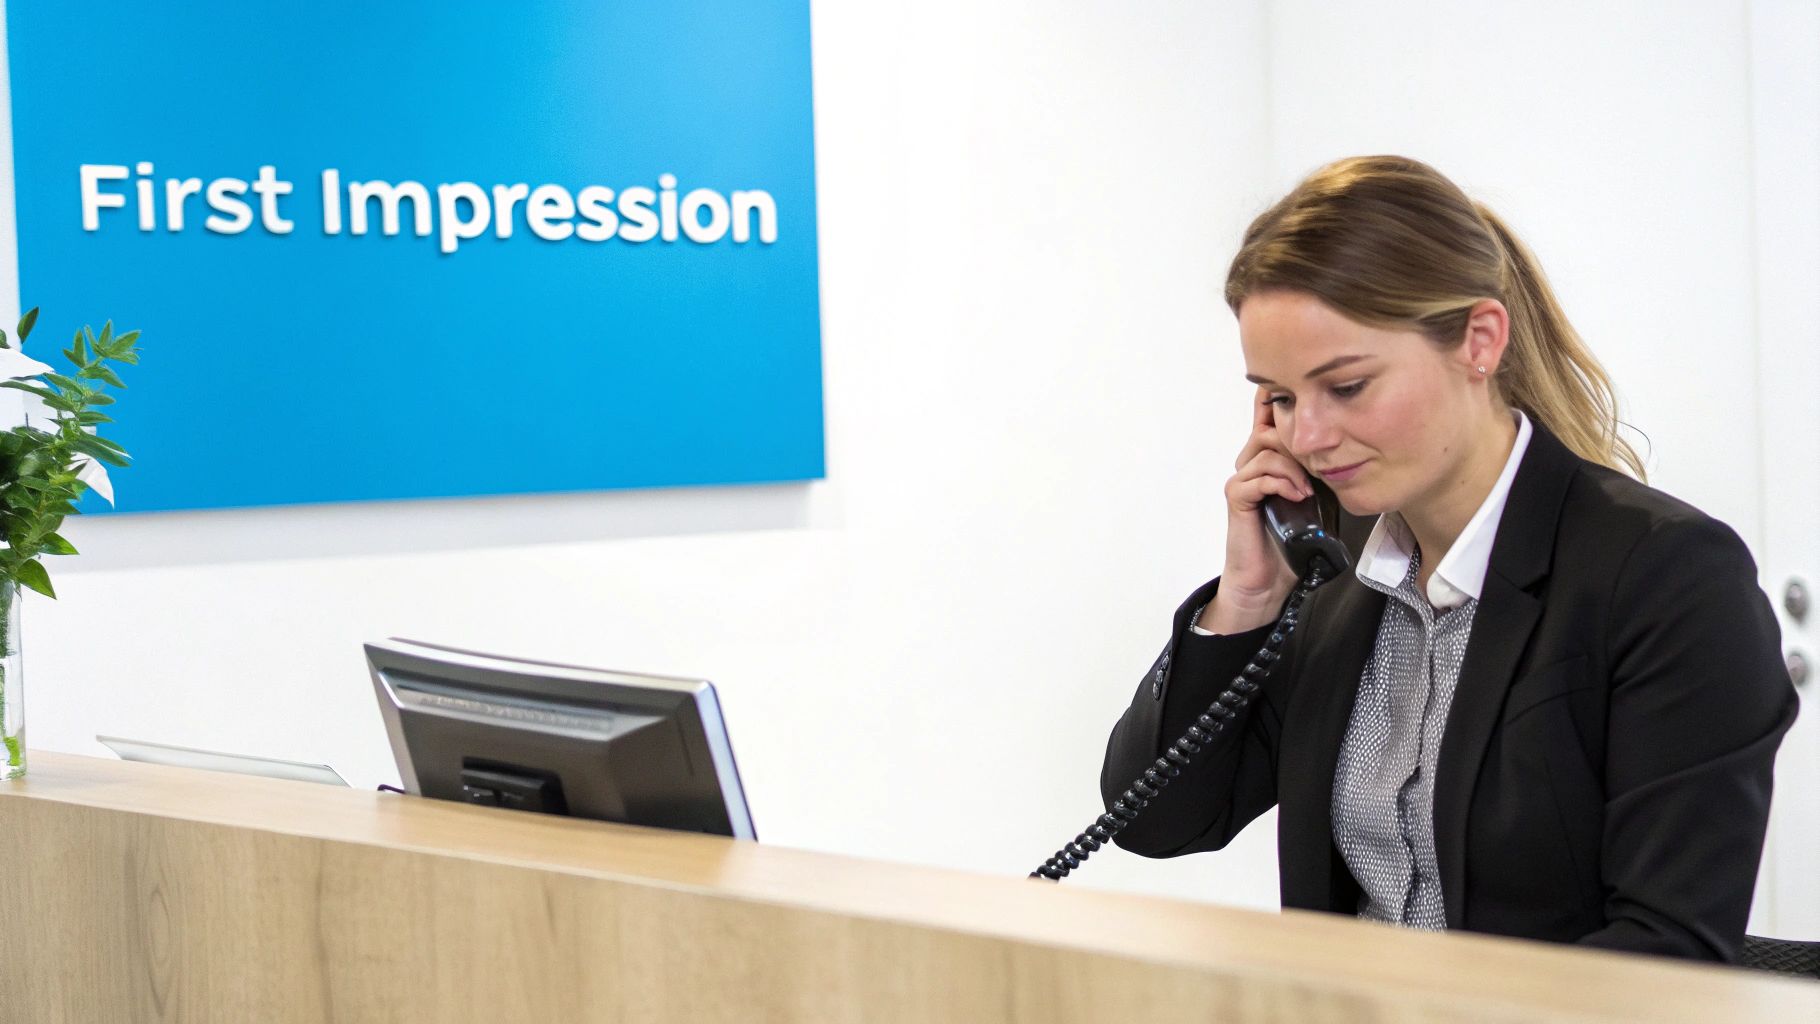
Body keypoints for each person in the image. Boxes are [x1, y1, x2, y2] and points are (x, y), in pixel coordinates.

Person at [1100, 155, 1798, 962]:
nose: (1309, 438)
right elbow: (1157, 820)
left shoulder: (1664, 578)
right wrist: (1247, 599)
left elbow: (1666, 951)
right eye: (1283, 398)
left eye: (1348, 387)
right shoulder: (1334, 577)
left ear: (1479, 340)